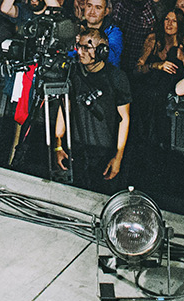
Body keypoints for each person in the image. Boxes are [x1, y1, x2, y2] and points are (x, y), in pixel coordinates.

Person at [54, 27, 132, 189]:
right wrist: (58, 144)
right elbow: (64, 108)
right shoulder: (73, 73)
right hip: (75, 149)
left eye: (86, 47)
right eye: (79, 47)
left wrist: (118, 156)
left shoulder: (117, 77)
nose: (80, 52)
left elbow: (124, 118)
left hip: (104, 152)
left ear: (102, 51)